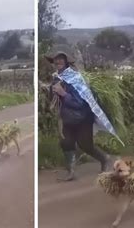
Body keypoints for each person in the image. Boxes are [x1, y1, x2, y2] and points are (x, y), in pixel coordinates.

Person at [46, 52, 111, 181]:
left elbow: (81, 102)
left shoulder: (76, 78)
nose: (57, 62)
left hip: (83, 117)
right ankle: (71, 172)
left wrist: (63, 93)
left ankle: (104, 158)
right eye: (55, 60)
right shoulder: (56, 79)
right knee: (66, 142)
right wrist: (50, 92)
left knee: (85, 145)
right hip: (67, 118)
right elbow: (54, 101)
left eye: (60, 59)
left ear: (66, 62)